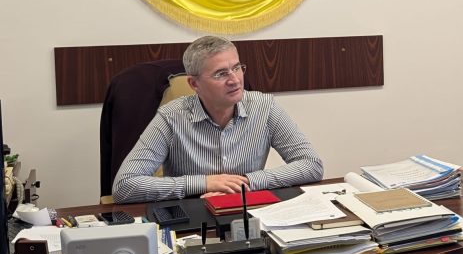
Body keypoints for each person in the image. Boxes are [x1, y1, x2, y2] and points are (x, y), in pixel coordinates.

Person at [112, 36, 323, 203]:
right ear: (194, 84)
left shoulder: (265, 107)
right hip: (194, 213)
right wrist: (205, 183)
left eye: (237, 68)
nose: (235, 80)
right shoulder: (171, 117)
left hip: (247, 208)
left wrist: (246, 182)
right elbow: (125, 186)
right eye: (221, 74)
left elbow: (311, 165)